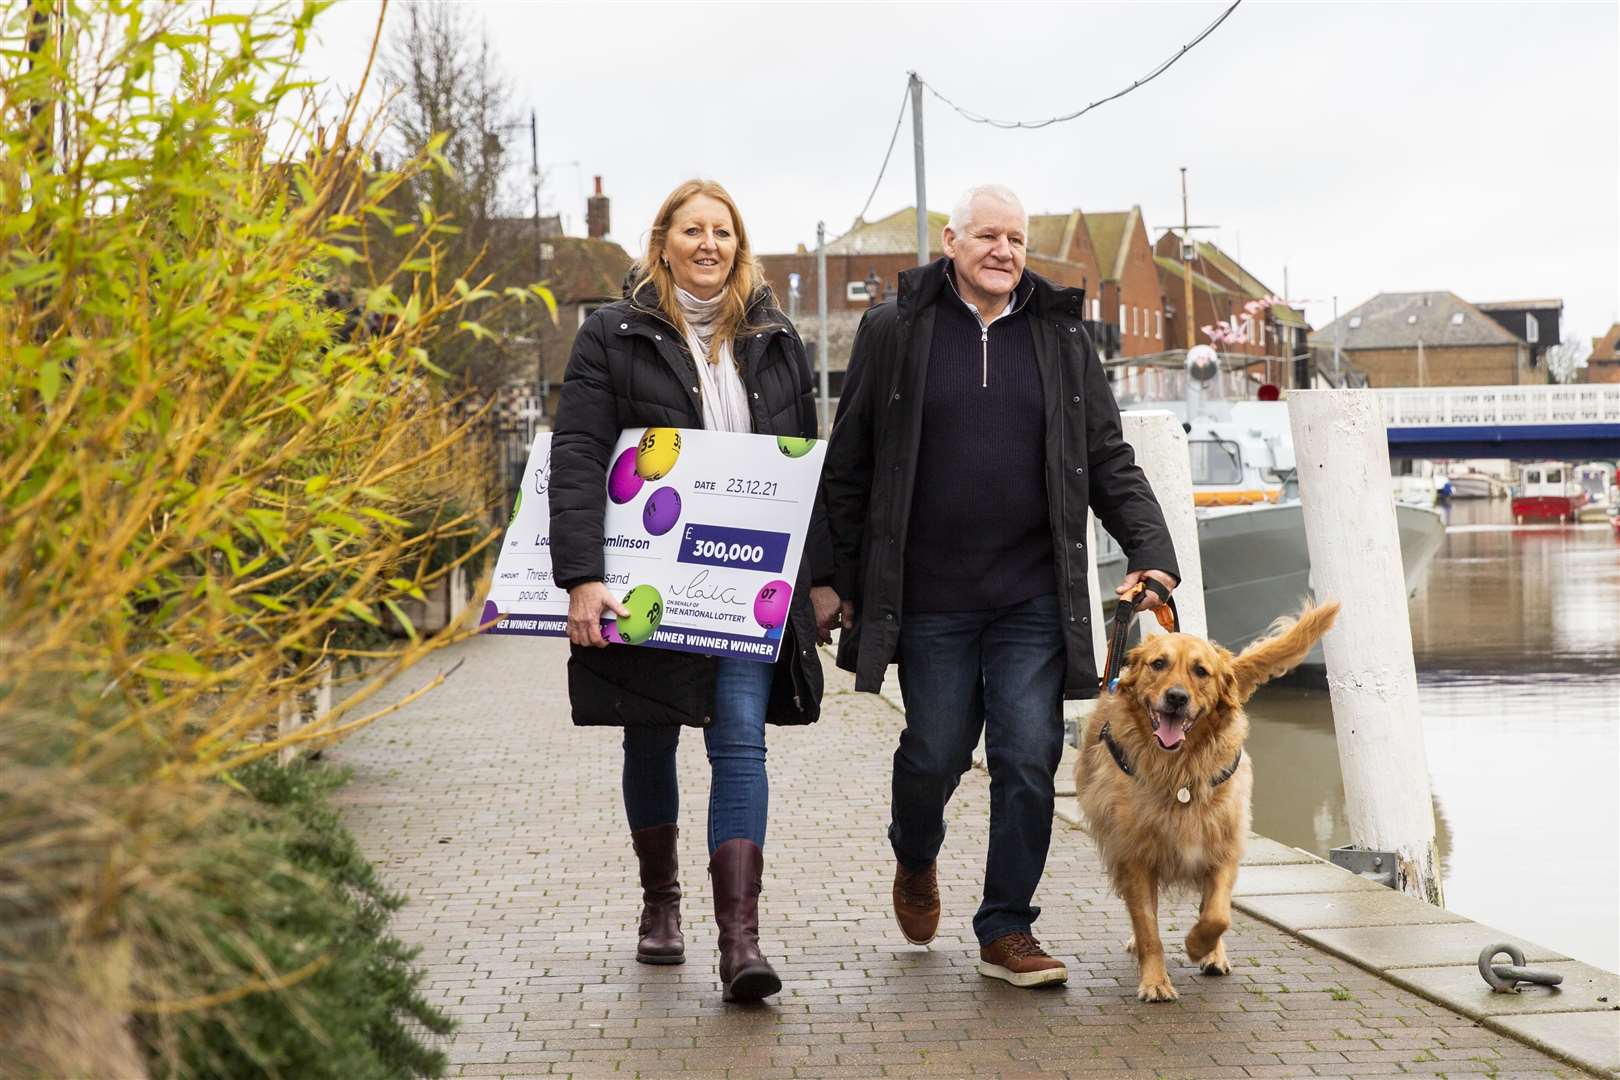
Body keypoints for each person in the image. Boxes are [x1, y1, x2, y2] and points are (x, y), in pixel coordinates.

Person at [819, 183, 1180, 988]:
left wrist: (1151, 552)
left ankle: (1006, 928)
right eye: (988, 236)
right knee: (934, 752)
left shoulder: (1060, 338)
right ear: (951, 241)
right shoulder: (895, 331)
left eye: (1016, 240)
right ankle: (915, 855)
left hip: (1031, 597)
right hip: (931, 597)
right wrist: (831, 581)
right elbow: (848, 467)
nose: (1004, 253)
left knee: (1027, 756)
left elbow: (1107, 458)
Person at [549, 179, 841, 1003]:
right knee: (648, 735)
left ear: (738, 245)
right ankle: (660, 903)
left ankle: (740, 943)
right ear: (664, 242)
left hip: (748, 578)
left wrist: (820, 579)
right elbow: (577, 454)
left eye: (723, 231)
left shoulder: (776, 337)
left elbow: (802, 464)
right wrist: (582, 578)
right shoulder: (614, 335)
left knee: (740, 739)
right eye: (692, 231)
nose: (708, 244)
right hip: (643, 576)